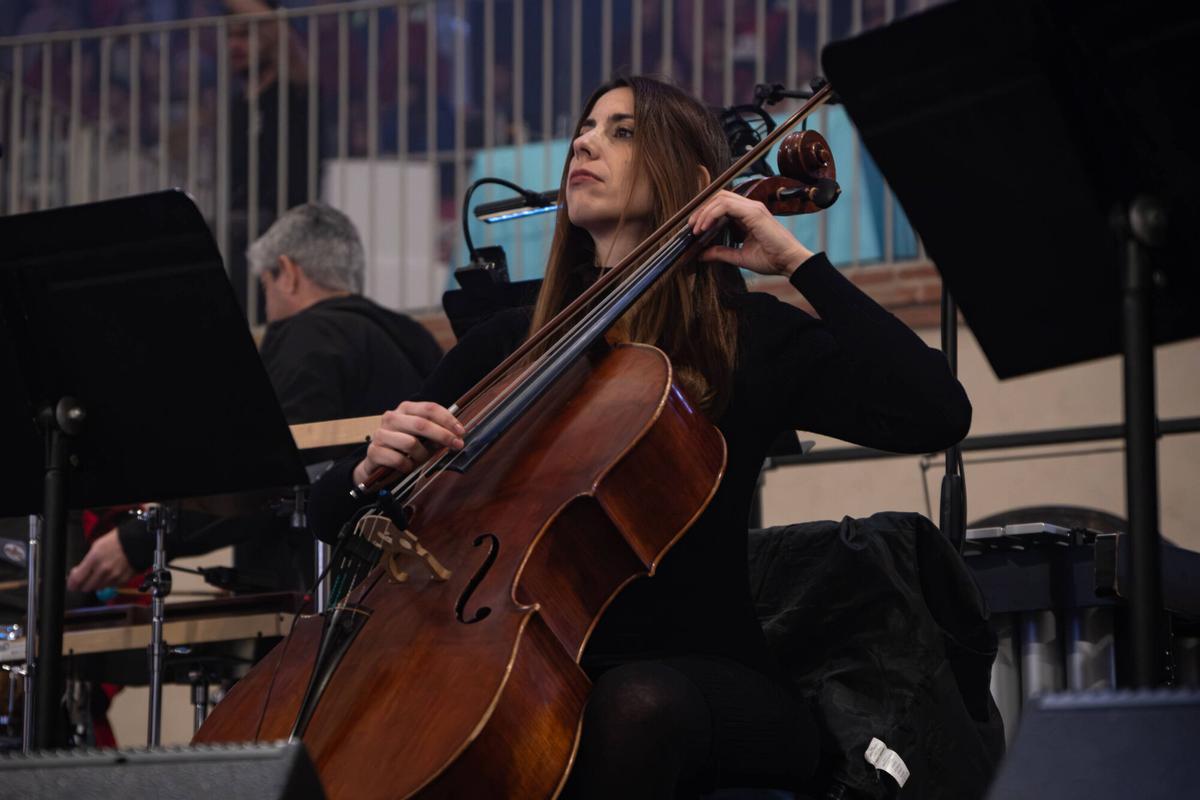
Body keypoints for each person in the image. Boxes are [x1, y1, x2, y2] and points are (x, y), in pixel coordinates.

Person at [307, 76, 971, 798]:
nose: (585, 143)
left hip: (707, 679)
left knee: (633, 706)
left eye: (621, 131)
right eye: (585, 128)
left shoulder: (744, 338)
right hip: (524, 667)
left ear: (691, 181)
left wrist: (798, 265)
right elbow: (327, 514)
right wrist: (370, 470)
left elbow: (934, 410)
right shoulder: (512, 344)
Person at [67, 202, 443, 596]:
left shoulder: (311, 338)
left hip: (327, 593)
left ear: (289, 272)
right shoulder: (416, 339)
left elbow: (267, 480)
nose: (266, 303)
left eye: (265, 284)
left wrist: (138, 540)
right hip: (414, 575)